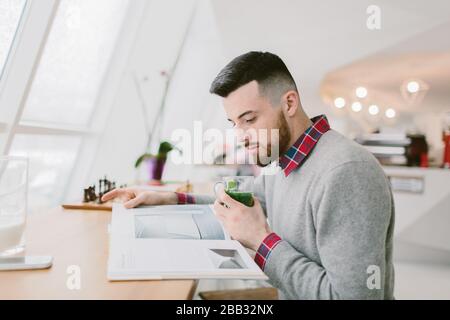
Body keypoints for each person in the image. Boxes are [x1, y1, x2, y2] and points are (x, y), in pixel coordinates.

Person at [102, 51, 395, 300]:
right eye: (234, 123)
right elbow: (248, 200)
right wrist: (168, 198)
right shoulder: (285, 160)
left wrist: (260, 239)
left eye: (249, 120)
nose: (240, 136)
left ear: (289, 103)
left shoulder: (346, 172)